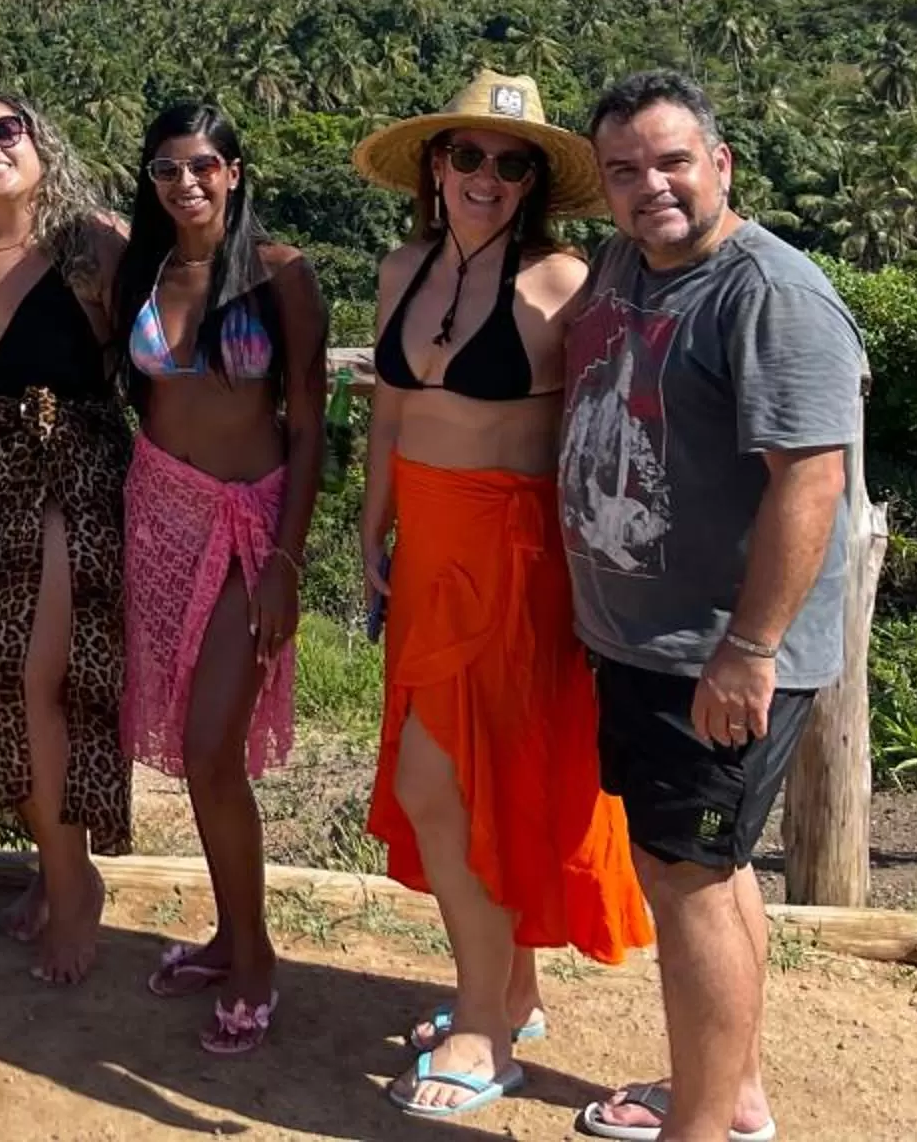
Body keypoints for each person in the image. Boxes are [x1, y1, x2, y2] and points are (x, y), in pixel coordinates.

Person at [561, 72, 862, 1142]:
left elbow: (811, 481)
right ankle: (730, 1095)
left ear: (721, 164)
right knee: (708, 874)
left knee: (686, 881)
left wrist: (752, 647)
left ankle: (699, 1128)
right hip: (648, 640)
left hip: (713, 655)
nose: (652, 186)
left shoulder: (770, 294)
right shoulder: (627, 266)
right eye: (625, 170)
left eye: (673, 161)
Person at [352, 73, 653, 1120]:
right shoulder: (402, 270)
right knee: (467, 784)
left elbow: (608, 428)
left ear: (535, 183)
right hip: (426, 551)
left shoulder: (567, 283)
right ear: (435, 167)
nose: (486, 176)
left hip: (516, 559)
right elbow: (391, 411)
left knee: (447, 783)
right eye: (467, 155)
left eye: (510, 162)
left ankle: (483, 1027)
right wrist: (371, 526)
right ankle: (510, 994)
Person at [116, 101, 328, 1057]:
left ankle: (257, 959)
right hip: (161, 516)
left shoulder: (281, 276)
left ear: (234, 172)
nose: (186, 184)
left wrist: (286, 561)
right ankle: (229, 932)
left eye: (203, 165)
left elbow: (310, 427)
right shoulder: (142, 270)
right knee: (197, 750)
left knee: (211, 750)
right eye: (166, 169)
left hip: (251, 526)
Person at [0, 91, 131, 987]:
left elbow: (162, 345)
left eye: (7, 130)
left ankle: (74, 885)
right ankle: (56, 865)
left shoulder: (93, 244)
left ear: (41, 144)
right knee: (7, 681)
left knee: (44, 676)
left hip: (71, 480)